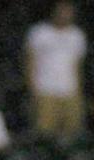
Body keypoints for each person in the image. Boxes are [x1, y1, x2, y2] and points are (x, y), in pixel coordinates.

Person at [25, 1, 87, 140]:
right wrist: (33, 90)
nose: (65, 15)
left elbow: (77, 67)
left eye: (68, 12)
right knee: (45, 134)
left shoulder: (77, 35)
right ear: (54, 11)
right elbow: (30, 63)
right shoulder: (39, 32)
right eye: (62, 11)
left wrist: (78, 92)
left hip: (70, 91)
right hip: (45, 90)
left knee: (72, 133)